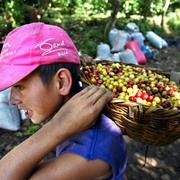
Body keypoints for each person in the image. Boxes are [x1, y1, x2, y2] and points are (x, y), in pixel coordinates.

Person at [0, 22, 127, 179]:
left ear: (61, 82)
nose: (12, 100)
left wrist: (57, 127)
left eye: (19, 87)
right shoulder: (78, 122)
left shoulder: (89, 155)